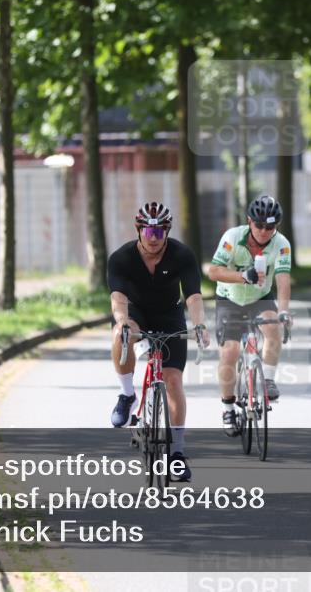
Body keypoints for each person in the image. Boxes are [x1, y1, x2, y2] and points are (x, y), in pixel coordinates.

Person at [107, 201, 210, 482]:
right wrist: (122, 320)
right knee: (122, 333)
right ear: (139, 230)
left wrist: (199, 324)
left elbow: (194, 296)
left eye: (160, 233)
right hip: (135, 312)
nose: (154, 239)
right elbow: (118, 299)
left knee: (173, 380)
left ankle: (176, 453)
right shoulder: (121, 258)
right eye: (148, 232)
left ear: (167, 232)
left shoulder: (182, 255)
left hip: (169, 315)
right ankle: (127, 395)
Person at [208, 195, 292, 436]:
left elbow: (283, 279)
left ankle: (268, 379)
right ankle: (227, 407)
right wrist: (242, 276)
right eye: (259, 225)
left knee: (274, 326)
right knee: (231, 352)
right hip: (230, 298)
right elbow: (213, 271)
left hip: (260, 298)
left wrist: (284, 311)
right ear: (249, 221)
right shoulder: (233, 238)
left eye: (271, 227)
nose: (265, 231)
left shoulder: (282, 244)